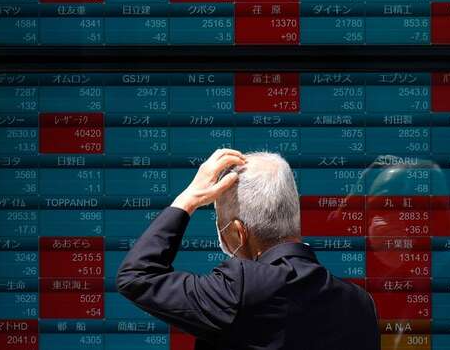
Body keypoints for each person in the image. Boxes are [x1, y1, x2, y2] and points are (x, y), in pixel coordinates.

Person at [115, 149, 380, 350]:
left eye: (221, 225)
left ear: (239, 232)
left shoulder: (240, 287)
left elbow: (136, 276)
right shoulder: (361, 303)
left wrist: (188, 199)